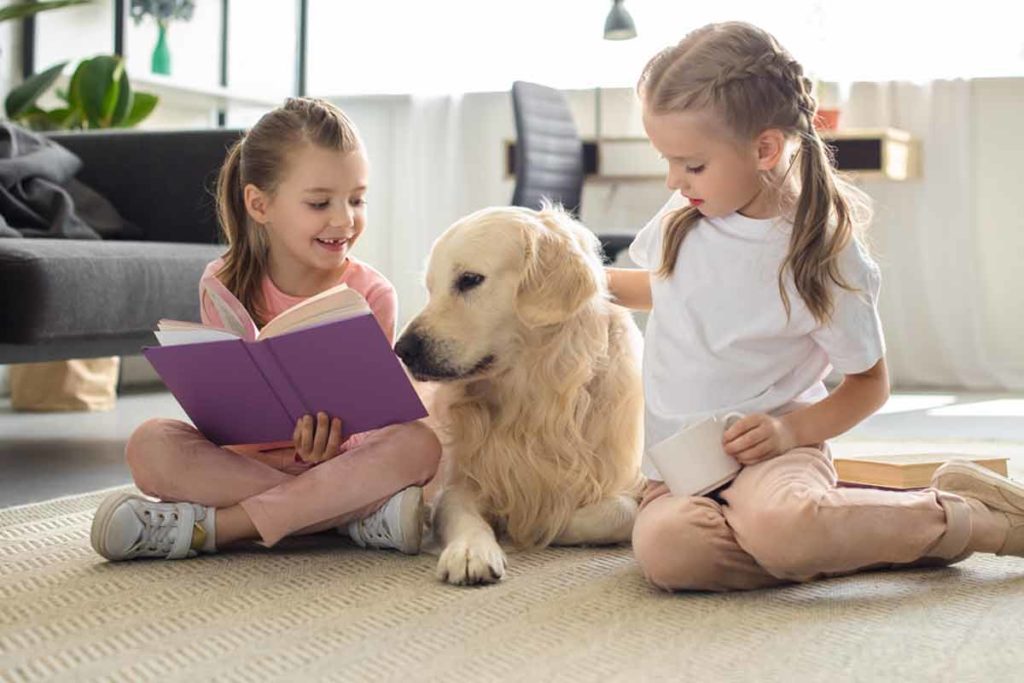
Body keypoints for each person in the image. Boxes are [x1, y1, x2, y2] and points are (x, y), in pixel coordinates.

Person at [606, 21, 1024, 592]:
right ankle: (836, 540)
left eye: (692, 164)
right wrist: (580, 281)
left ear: (765, 148)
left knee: (784, 528)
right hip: (679, 472)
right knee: (671, 554)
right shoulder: (686, 219)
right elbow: (673, 293)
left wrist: (786, 432)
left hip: (774, 459)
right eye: (668, 161)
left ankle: (972, 520)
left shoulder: (818, 253)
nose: (675, 181)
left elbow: (868, 385)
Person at [90, 98, 440, 562]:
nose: (344, 219)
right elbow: (222, 416)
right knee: (150, 443)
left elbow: (373, 421)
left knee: (418, 444)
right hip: (249, 463)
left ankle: (213, 529)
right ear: (259, 204)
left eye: (357, 199)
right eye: (320, 203)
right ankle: (352, 519)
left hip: (338, 463)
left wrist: (334, 445)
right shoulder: (221, 283)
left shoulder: (373, 293)